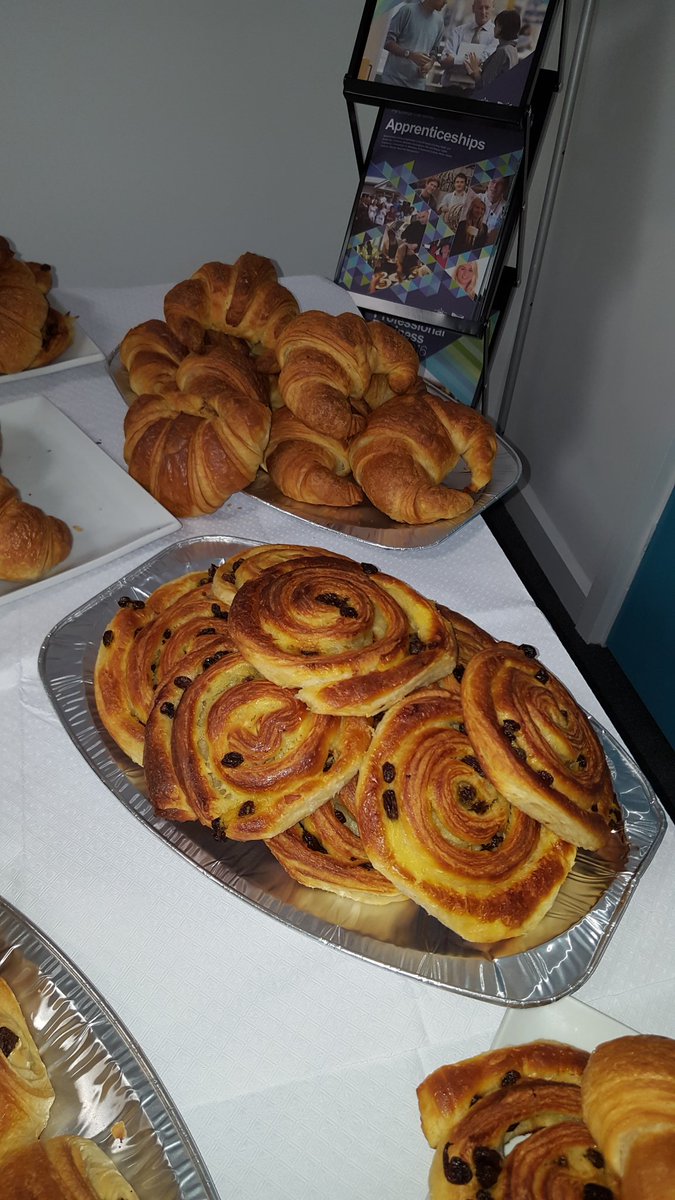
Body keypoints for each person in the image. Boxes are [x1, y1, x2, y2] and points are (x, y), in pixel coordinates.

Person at [380, 0, 448, 90]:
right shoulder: (407, 11)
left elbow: (434, 51)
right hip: (393, 81)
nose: (446, 2)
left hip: (417, 85)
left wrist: (429, 64)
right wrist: (409, 55)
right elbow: (387, 41)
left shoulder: (439, 22)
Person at [464, 9, 521, 92]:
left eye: (496, 25)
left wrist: (475, 70)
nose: (494, 28)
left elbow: (485, 85)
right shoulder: (513, 50)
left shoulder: (502, 51)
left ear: (501, 28)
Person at [440, 0, 497, 75]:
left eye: (487, 8)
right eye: (480, 8)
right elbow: (444, 59)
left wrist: (455, 60)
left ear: (493, 8)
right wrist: (474, 61)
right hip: (452, 84)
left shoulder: (497, 36)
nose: (483, 12)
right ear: (473, 8)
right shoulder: (458, 31)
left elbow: (485, 61)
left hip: (477, 85)